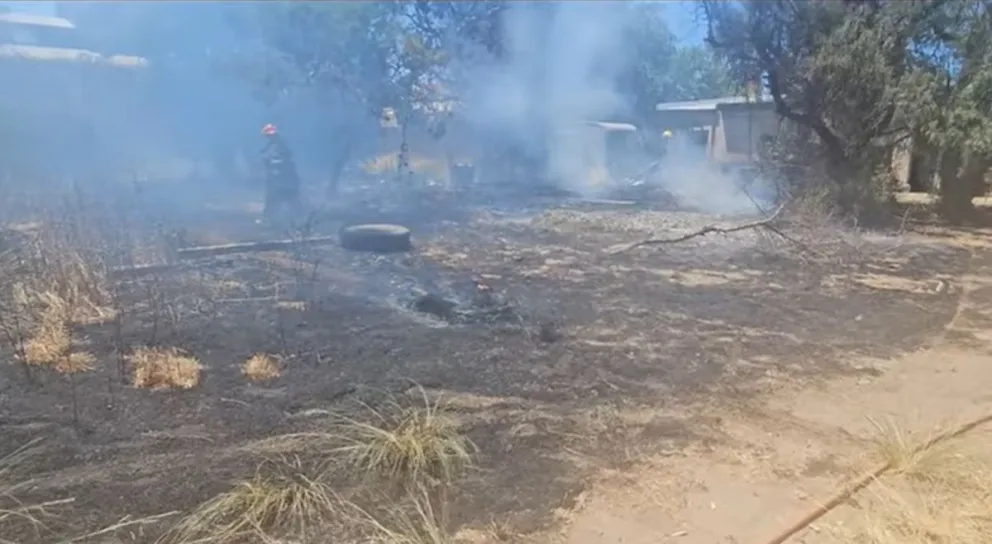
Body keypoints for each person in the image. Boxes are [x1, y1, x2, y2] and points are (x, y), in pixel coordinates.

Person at [260, 123, 302, 221]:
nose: (268, 138)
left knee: (289, 197)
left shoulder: (281, 146)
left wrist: (273, 163)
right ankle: (270, 218)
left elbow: (284, 160)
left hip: (284, 178)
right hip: (276, 178)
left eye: (269, 136)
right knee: (273, 198)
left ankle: (298, 217)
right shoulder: (271, 145)